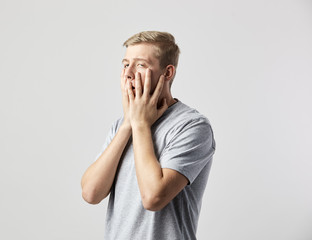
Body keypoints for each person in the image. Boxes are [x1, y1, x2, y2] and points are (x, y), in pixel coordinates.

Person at [81, 31, 216, 240]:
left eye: (141, 65)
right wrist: (128, 124)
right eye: (126, 64)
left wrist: (141, 124)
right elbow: (90, 193)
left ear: (168, 73)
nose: (128, 73)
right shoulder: (121, 125)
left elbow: (153, 197)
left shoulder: (192, 126)